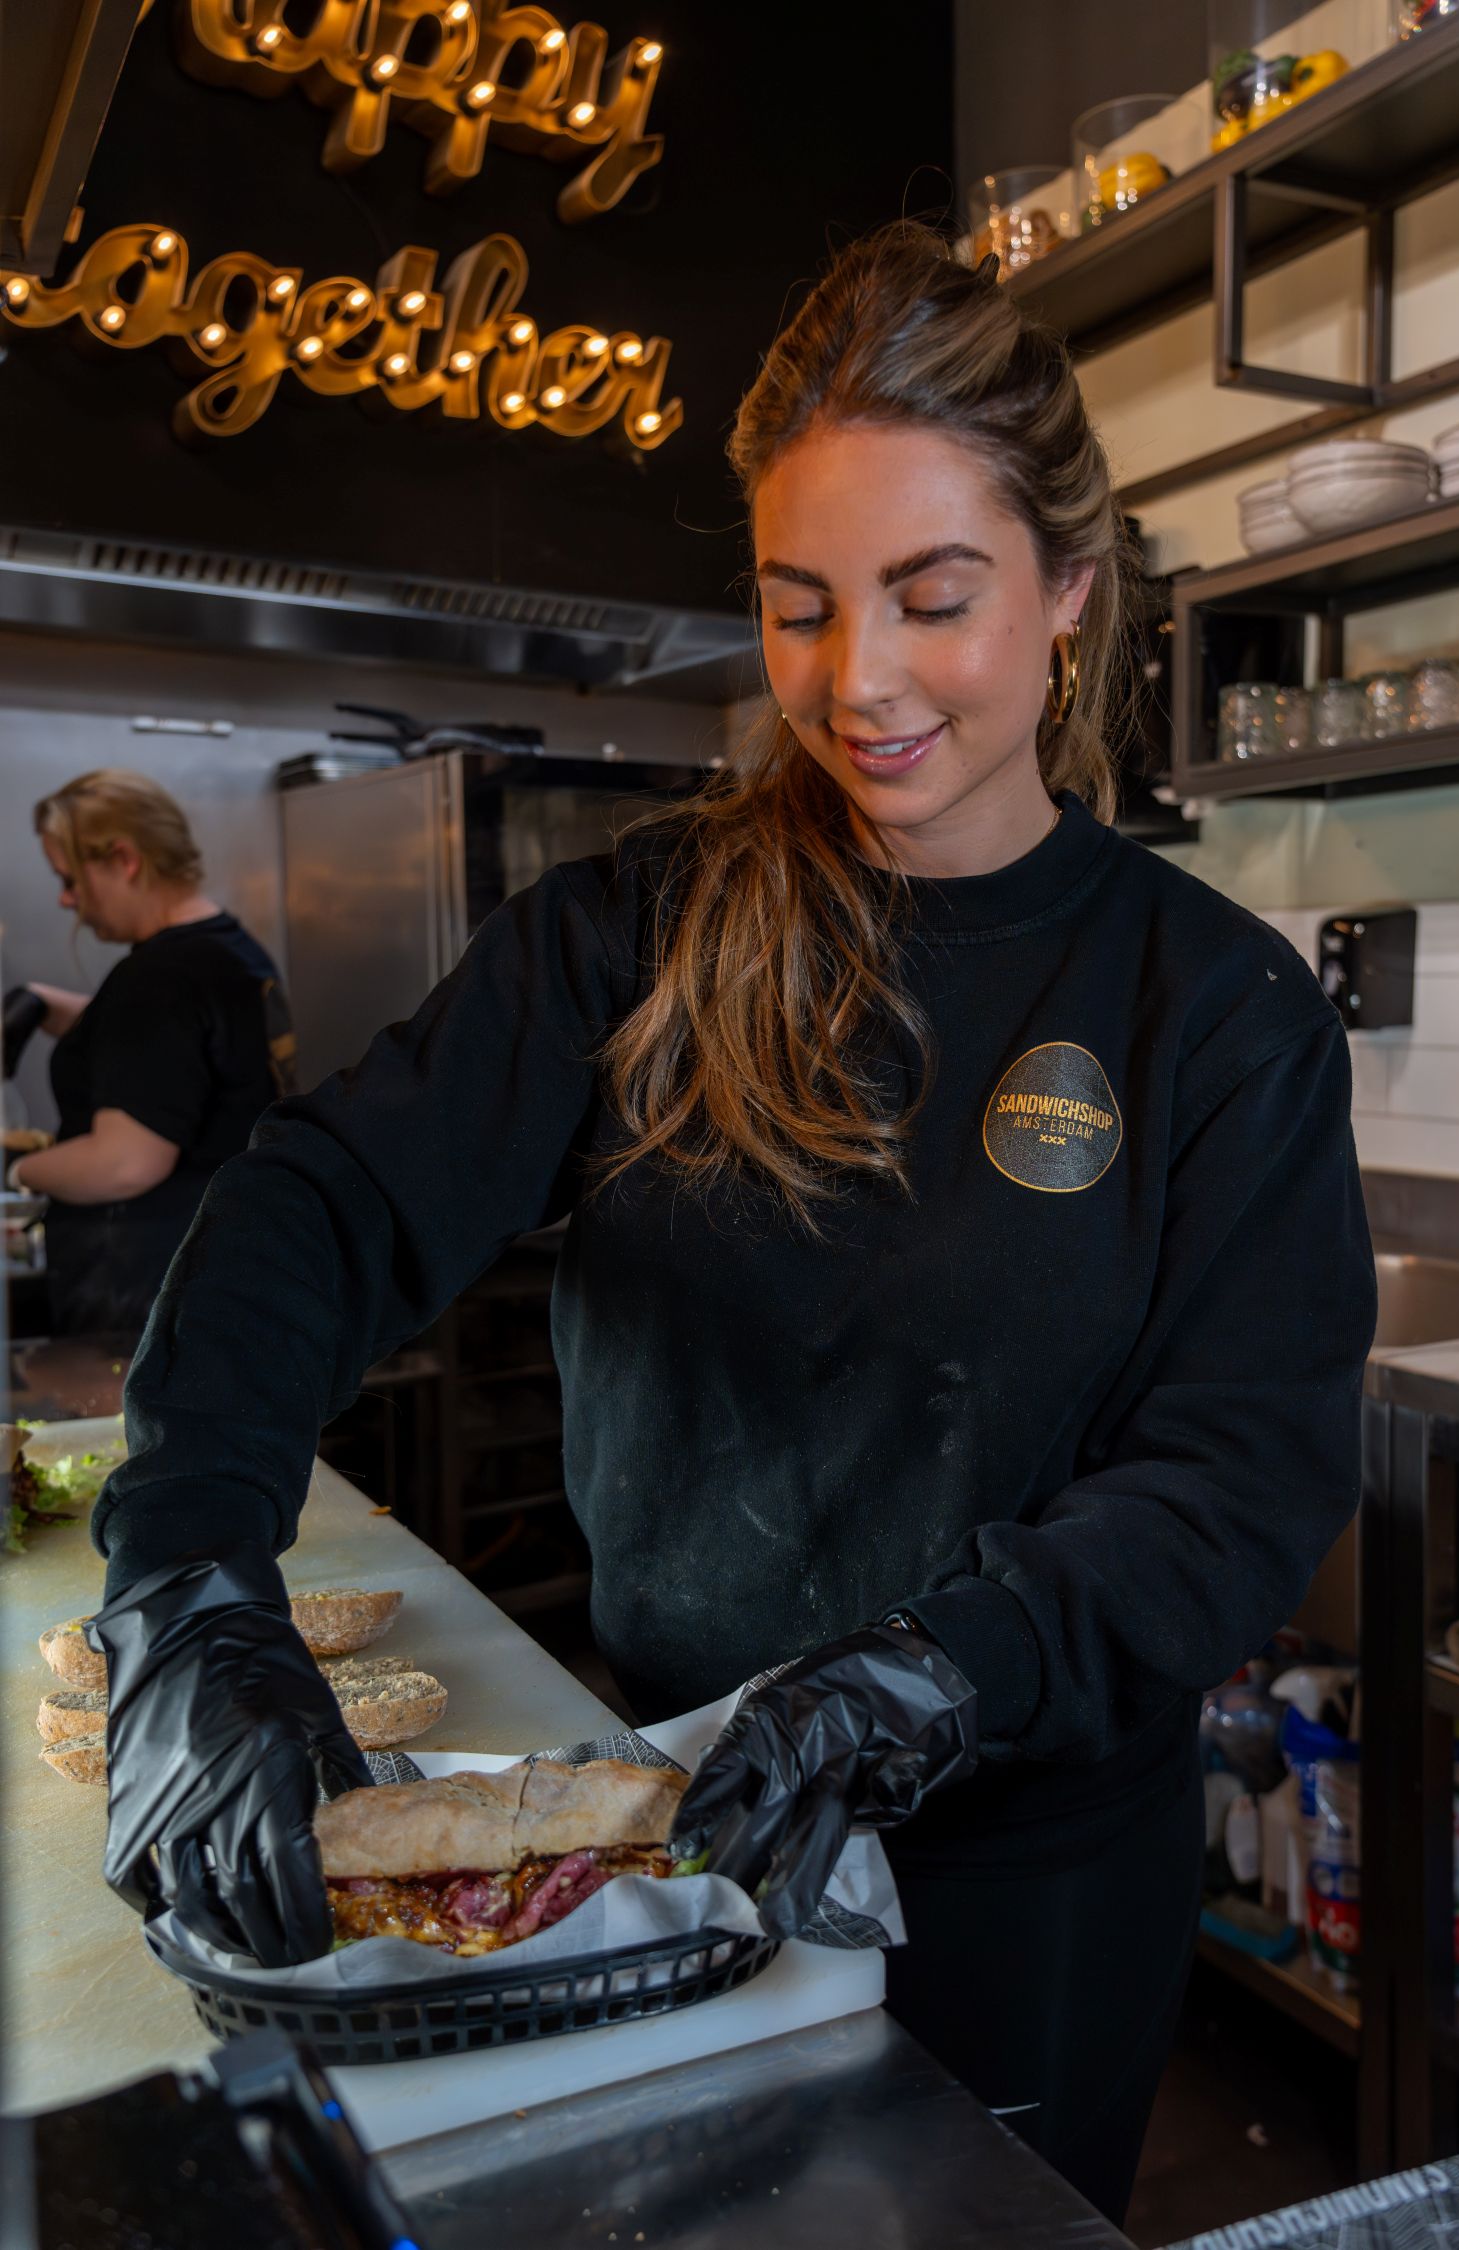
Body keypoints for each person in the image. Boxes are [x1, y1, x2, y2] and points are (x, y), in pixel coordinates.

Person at [84, 227, 1375, 2224]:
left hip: (1024, 1879)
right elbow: (320, 1210)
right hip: (657, 1837)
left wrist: (939, 1673)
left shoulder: (1210, 1009)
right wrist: (187, 1579)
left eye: (932, 598)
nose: (857, 684)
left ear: (1066, 600)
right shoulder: (640, 928)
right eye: (798, 608)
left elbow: (1242, 1464)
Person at [5, 769, 296, 1336]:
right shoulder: (229, 950)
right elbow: (175, 1050)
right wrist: (43, 1004)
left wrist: (17, 1169)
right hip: (220, 1269)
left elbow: (124, 1164)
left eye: (69, 878)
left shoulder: (159, 976)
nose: (67, 901)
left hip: (144, 1297)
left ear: (124, 859)